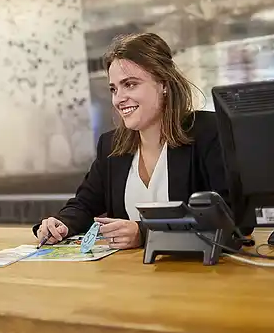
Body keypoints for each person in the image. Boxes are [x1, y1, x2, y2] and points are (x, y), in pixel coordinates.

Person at [34, 32, 232, 250]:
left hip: (198, 275)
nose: (118, 98)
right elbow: (83, 205)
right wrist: (62, 223)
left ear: (163, 84)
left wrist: (145, 233)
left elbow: (231, 218)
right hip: (130, 277)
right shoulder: (111, 146)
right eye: (114, 89)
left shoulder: (209, 132)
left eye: (130, 84)